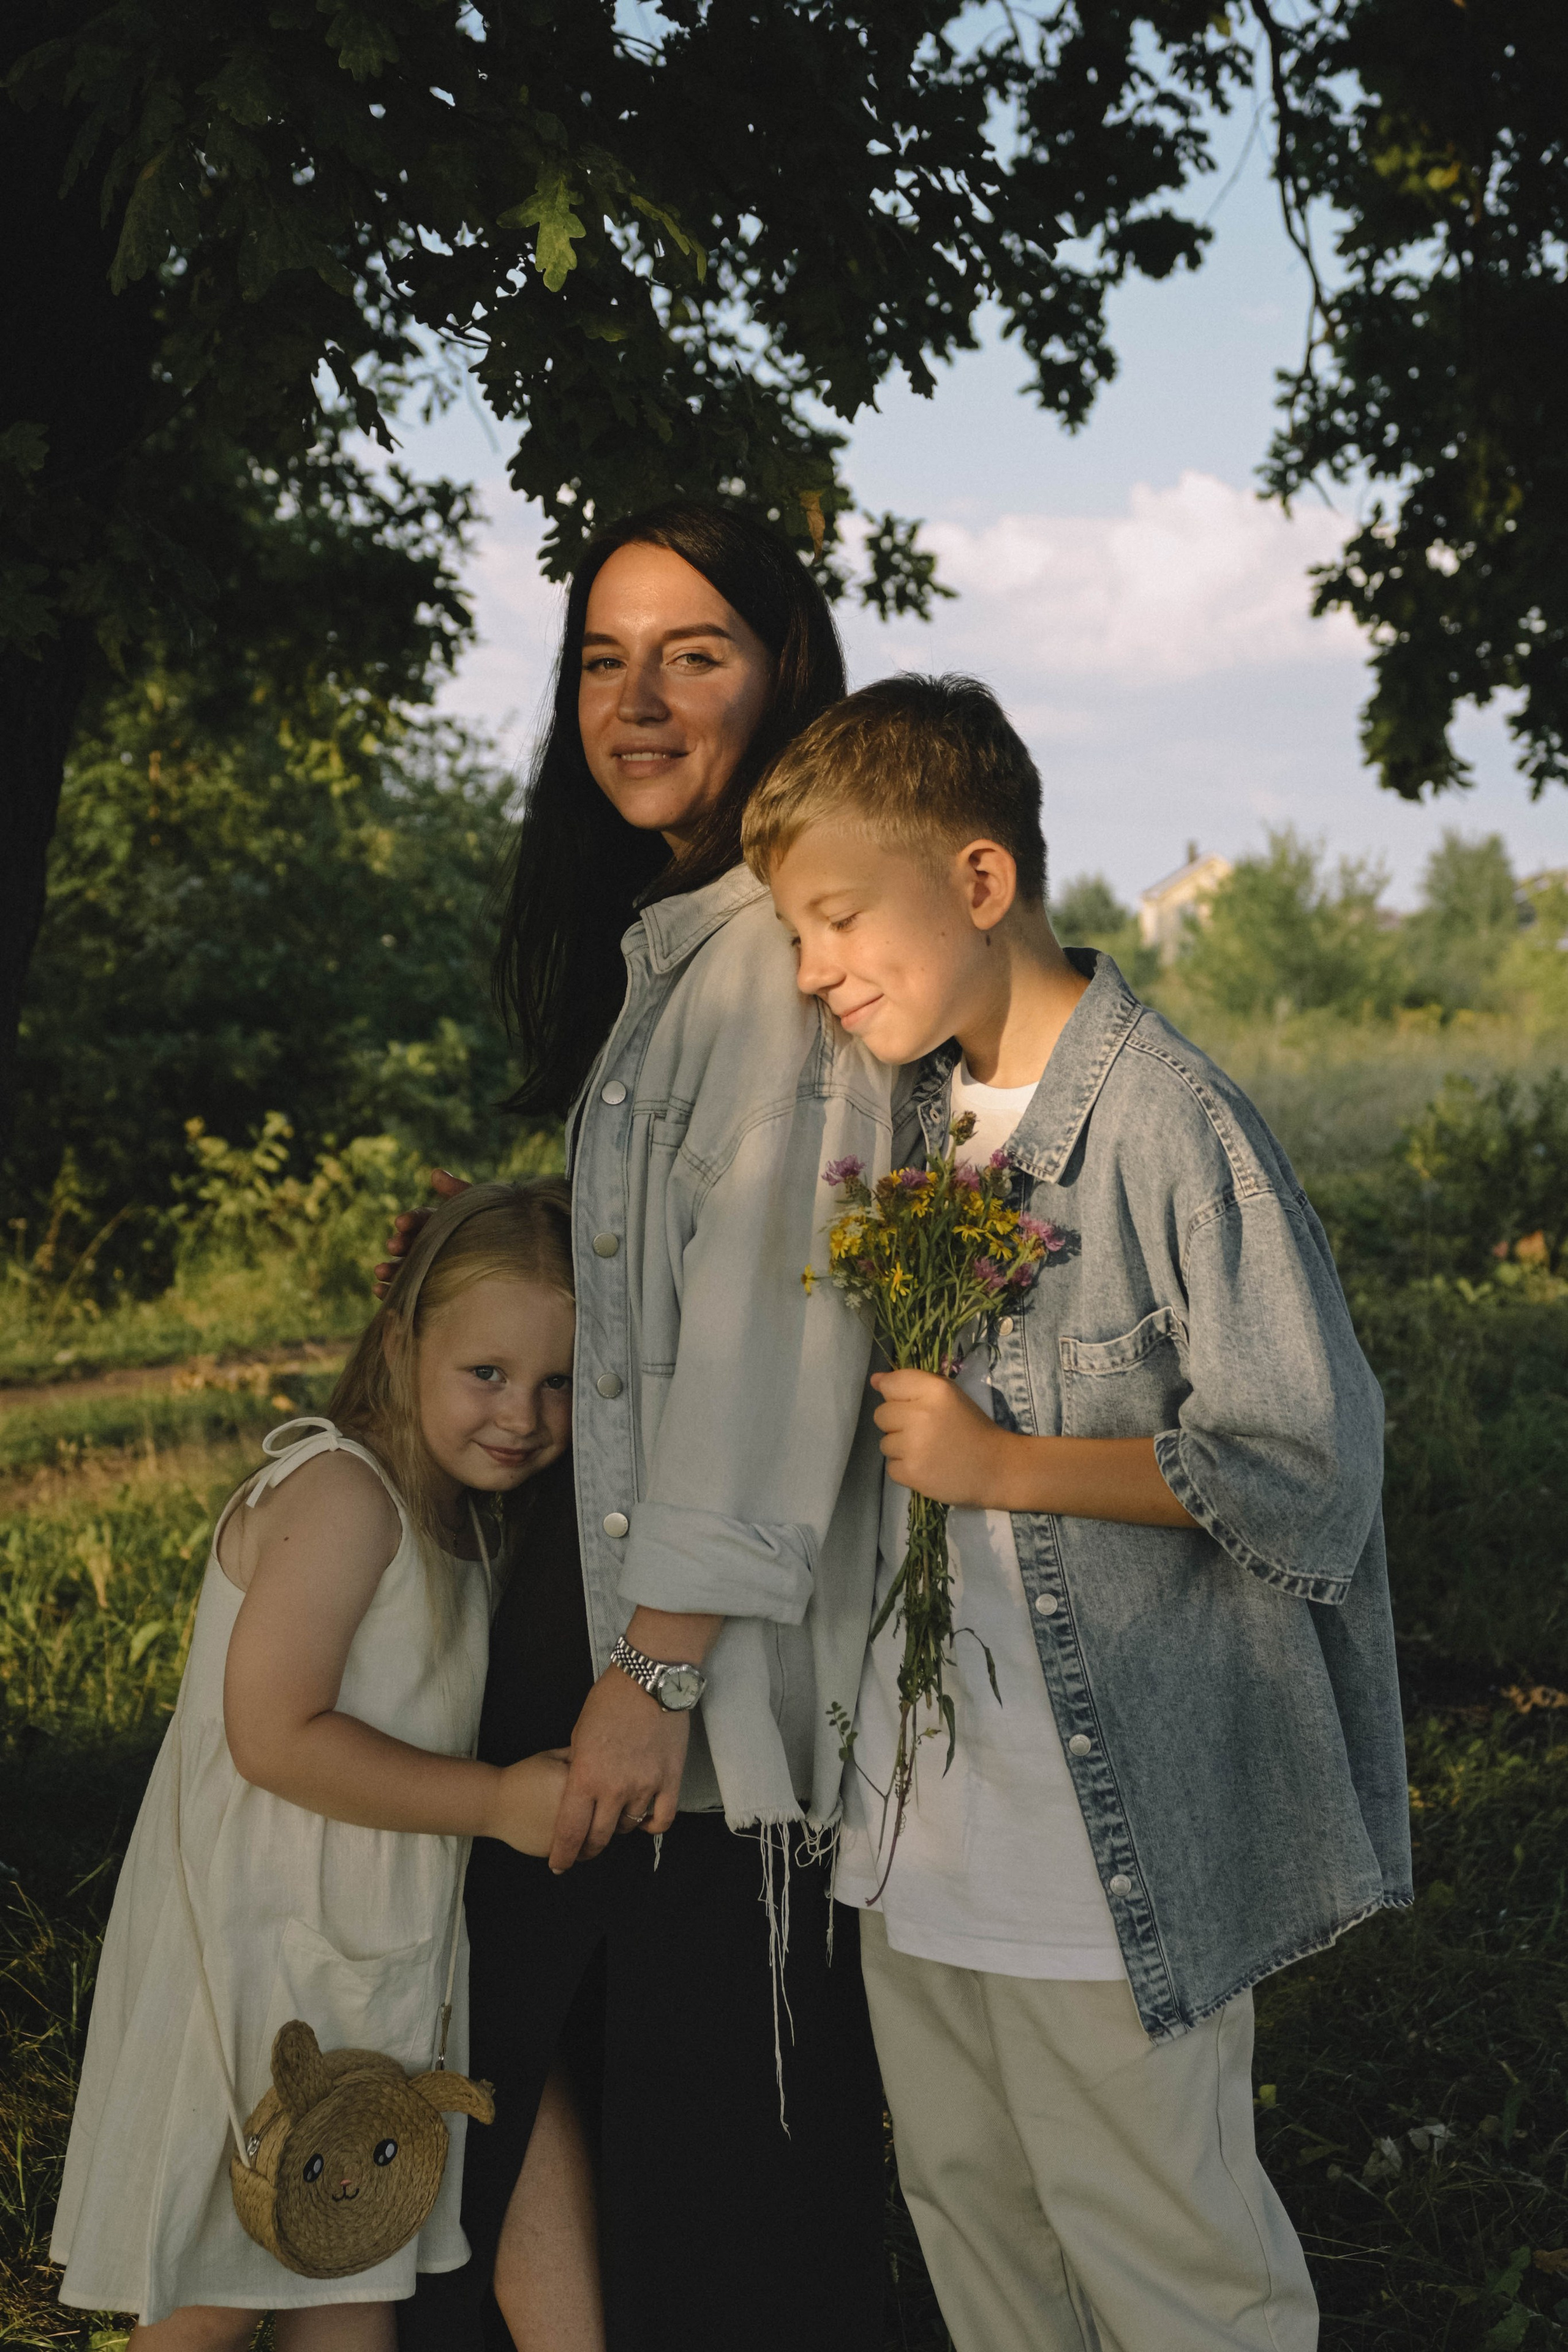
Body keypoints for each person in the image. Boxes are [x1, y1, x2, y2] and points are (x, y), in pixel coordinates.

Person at [747, 673, 1413, 2352]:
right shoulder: (908, 1114)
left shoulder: (1169, 1127)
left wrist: (1009, 1465)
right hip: (925, 1831)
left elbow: (1307, 1459)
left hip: (1103, 1846)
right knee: (982, 2235)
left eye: (836, 921)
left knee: (1170, 2259)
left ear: (980, 883)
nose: (815, 970)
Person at [390, 505, 891, 2352]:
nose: (638, 699)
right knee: (540, 2063)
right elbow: (661, 1302)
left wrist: (655, 1674)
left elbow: (776, 1338)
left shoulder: (777, 954)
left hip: (710, 1684)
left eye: (695, 654)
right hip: (621, 1615)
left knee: (713, 2151)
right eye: (604, 658)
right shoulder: (677, 946)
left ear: (785, 675)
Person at [51, 1183, 594, 2352]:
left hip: (356, 1966)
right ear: (404, 1342)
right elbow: (274, 1732)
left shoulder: (458, 1523)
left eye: (558, 1383)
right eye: (488, 1374)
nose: (524, 1413)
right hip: (259, 1969)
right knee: (220, 2285)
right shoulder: (345, 1493)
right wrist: (497, 1803)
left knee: (350, 2281)